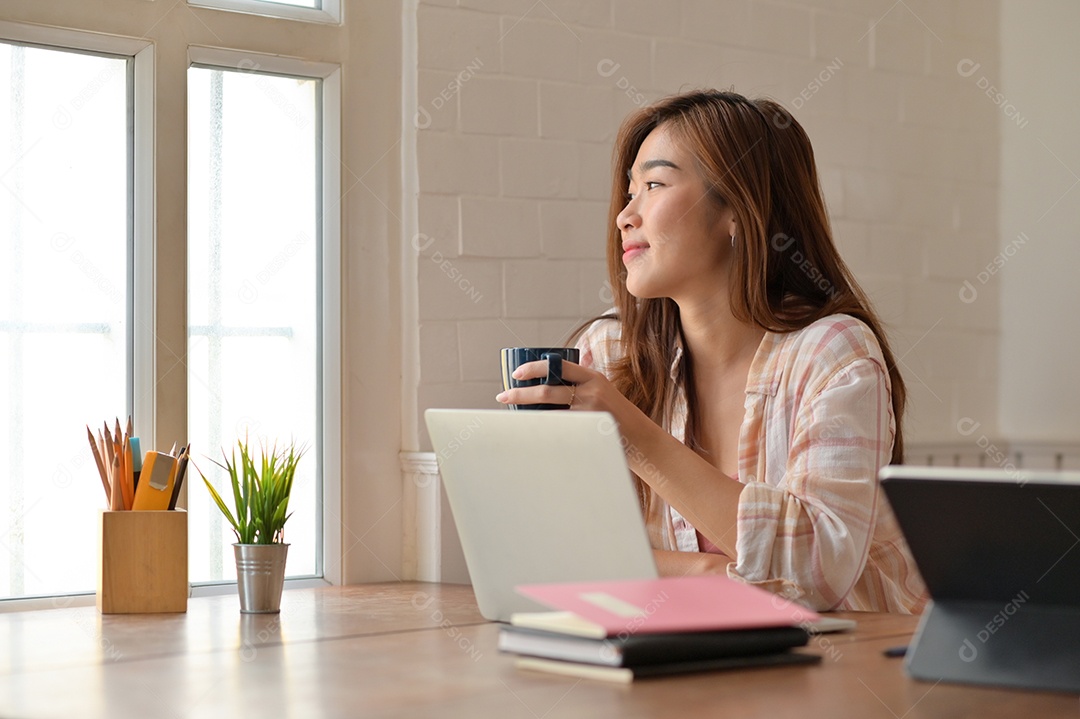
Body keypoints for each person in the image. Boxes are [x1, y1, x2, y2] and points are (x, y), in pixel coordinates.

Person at [495, 89, 927, 614]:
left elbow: (815, 576)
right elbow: (556, 553)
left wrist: (630, 432)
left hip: (848, 664)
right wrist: (713, 572)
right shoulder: (608, 354)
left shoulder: (830, 353)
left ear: (739, 211)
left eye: (653, 185)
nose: (624, 217)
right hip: (686, 653)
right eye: (629, 192)